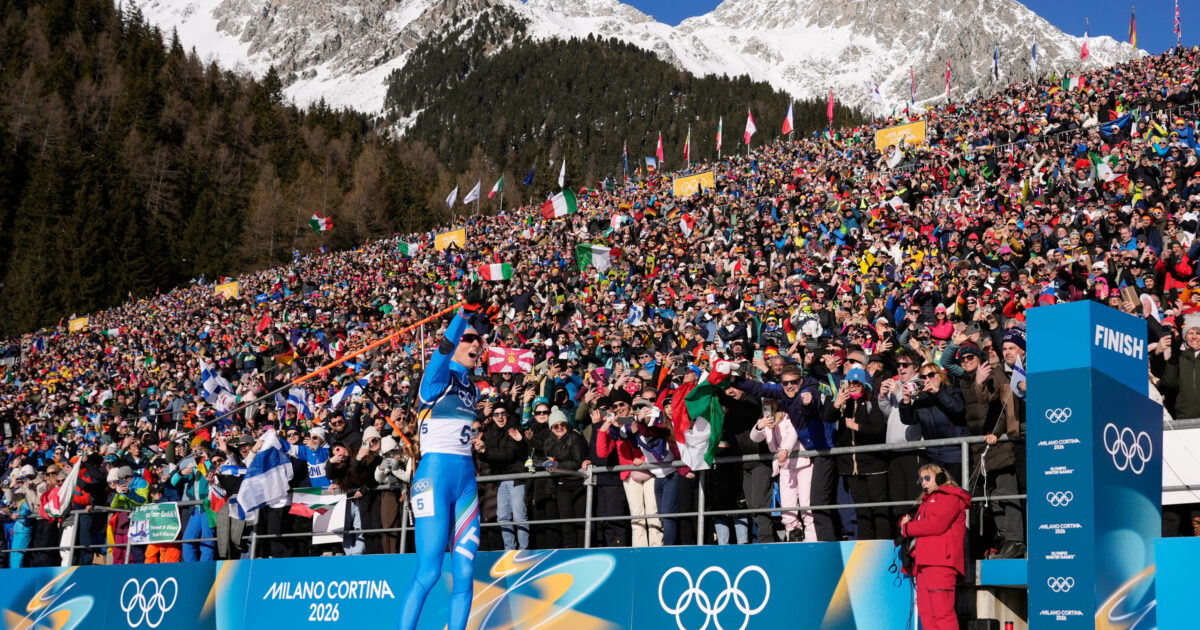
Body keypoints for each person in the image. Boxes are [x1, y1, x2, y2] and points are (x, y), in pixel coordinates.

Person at [397, 289, 488, 630]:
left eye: (480, 343)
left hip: (465, 483)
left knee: (465, 573)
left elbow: (467, 344)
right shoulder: (437, 378)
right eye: (471, 342)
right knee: (430, 571)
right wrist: (463, 315)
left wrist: (477, 322)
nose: (477, 347)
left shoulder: (472, 388)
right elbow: (445, 349)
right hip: (433, 478)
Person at [900, 463, 971, 630]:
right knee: (926, 614)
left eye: (927, 477)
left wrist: (908, 528)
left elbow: (935, 524)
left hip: (940, 562)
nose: (923, 482)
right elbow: (923, 525)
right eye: (921, 479)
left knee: (942, 614)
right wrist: (907, 524)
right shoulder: (929, 500)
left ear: (940, 477)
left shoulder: (950, 496)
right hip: (924, 562)